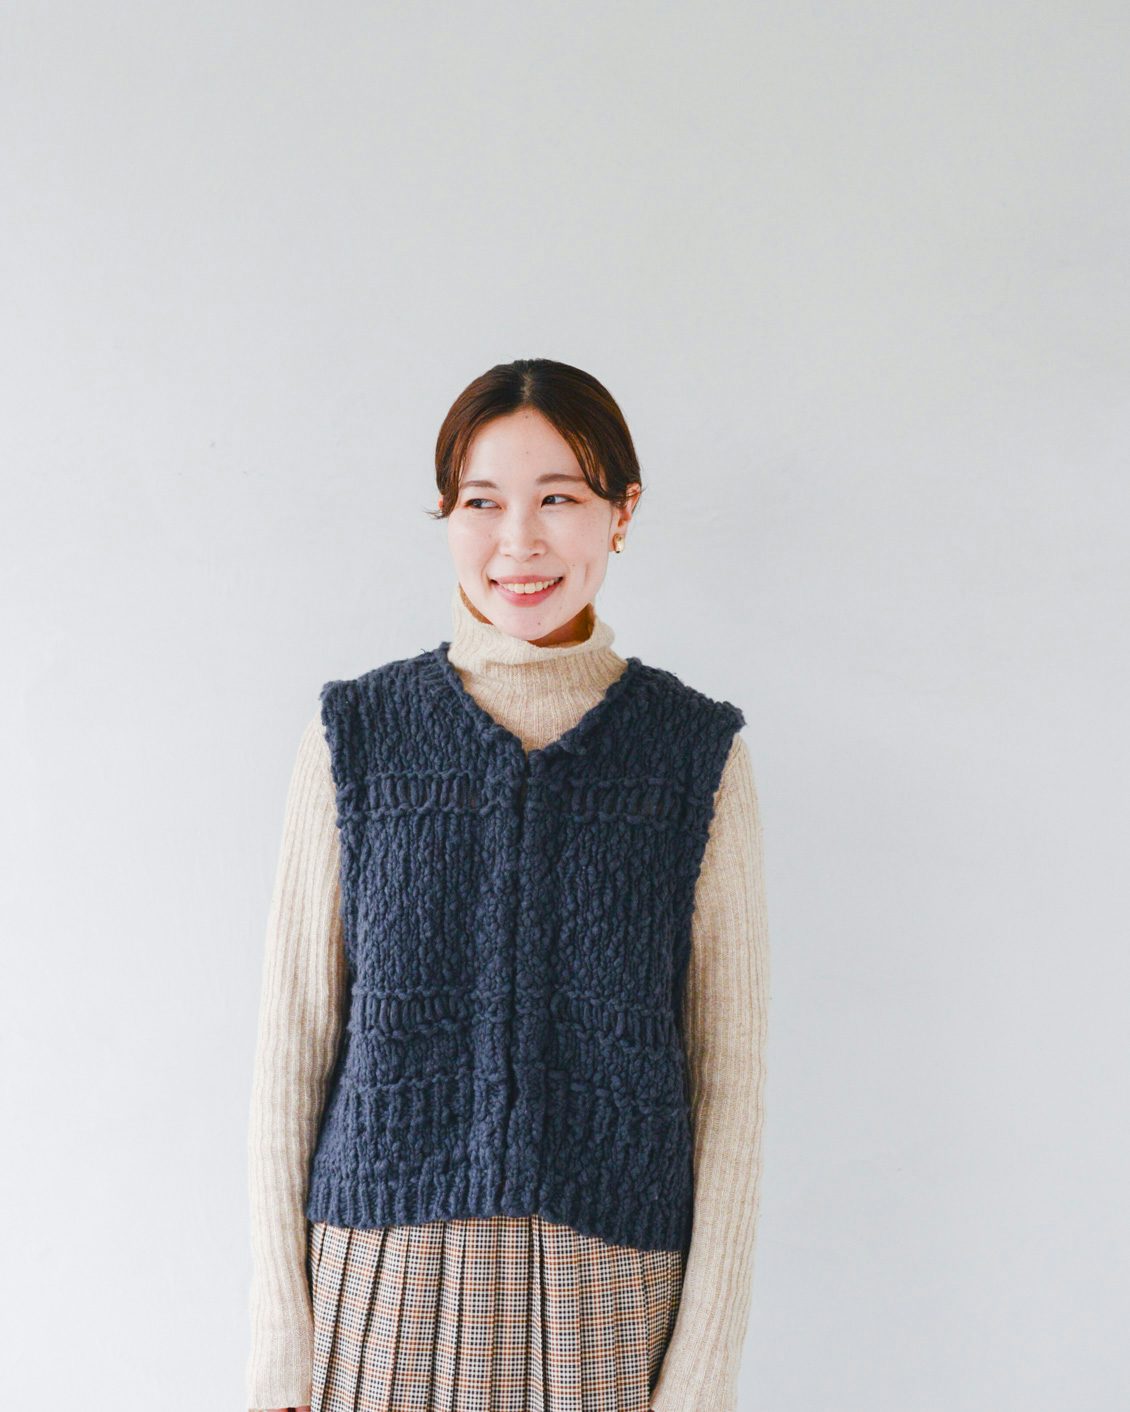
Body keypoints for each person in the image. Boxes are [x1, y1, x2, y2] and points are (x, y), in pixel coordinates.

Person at [245, 358, 771, 1412]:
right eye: (480, 502)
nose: (517, 542)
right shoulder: (358, 736)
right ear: (446, 515)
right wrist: (278, 1339)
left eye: (558, 499)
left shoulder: (693, 755)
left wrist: (702, 1372)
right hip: (375, 1291)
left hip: (610, 1301)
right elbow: (293, 1047)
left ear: (622, 512)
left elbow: (730, 1081)